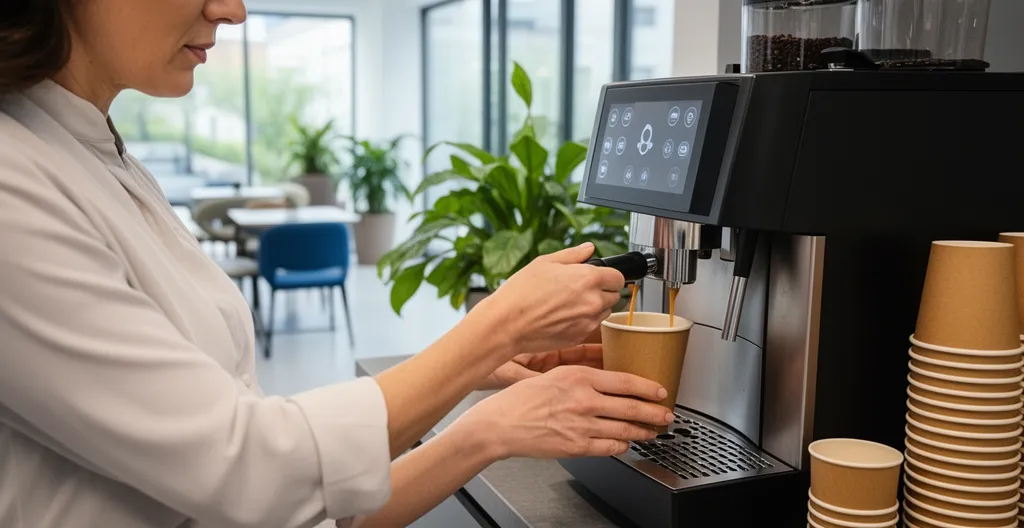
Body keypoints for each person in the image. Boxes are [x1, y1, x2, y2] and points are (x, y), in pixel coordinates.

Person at [0, 1, 675, 527]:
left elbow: (281, 489)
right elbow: (250, 470)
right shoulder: (14, 184)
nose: (232, 11)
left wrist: (483, 423)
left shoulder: (95, 151)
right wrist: (491, 331)